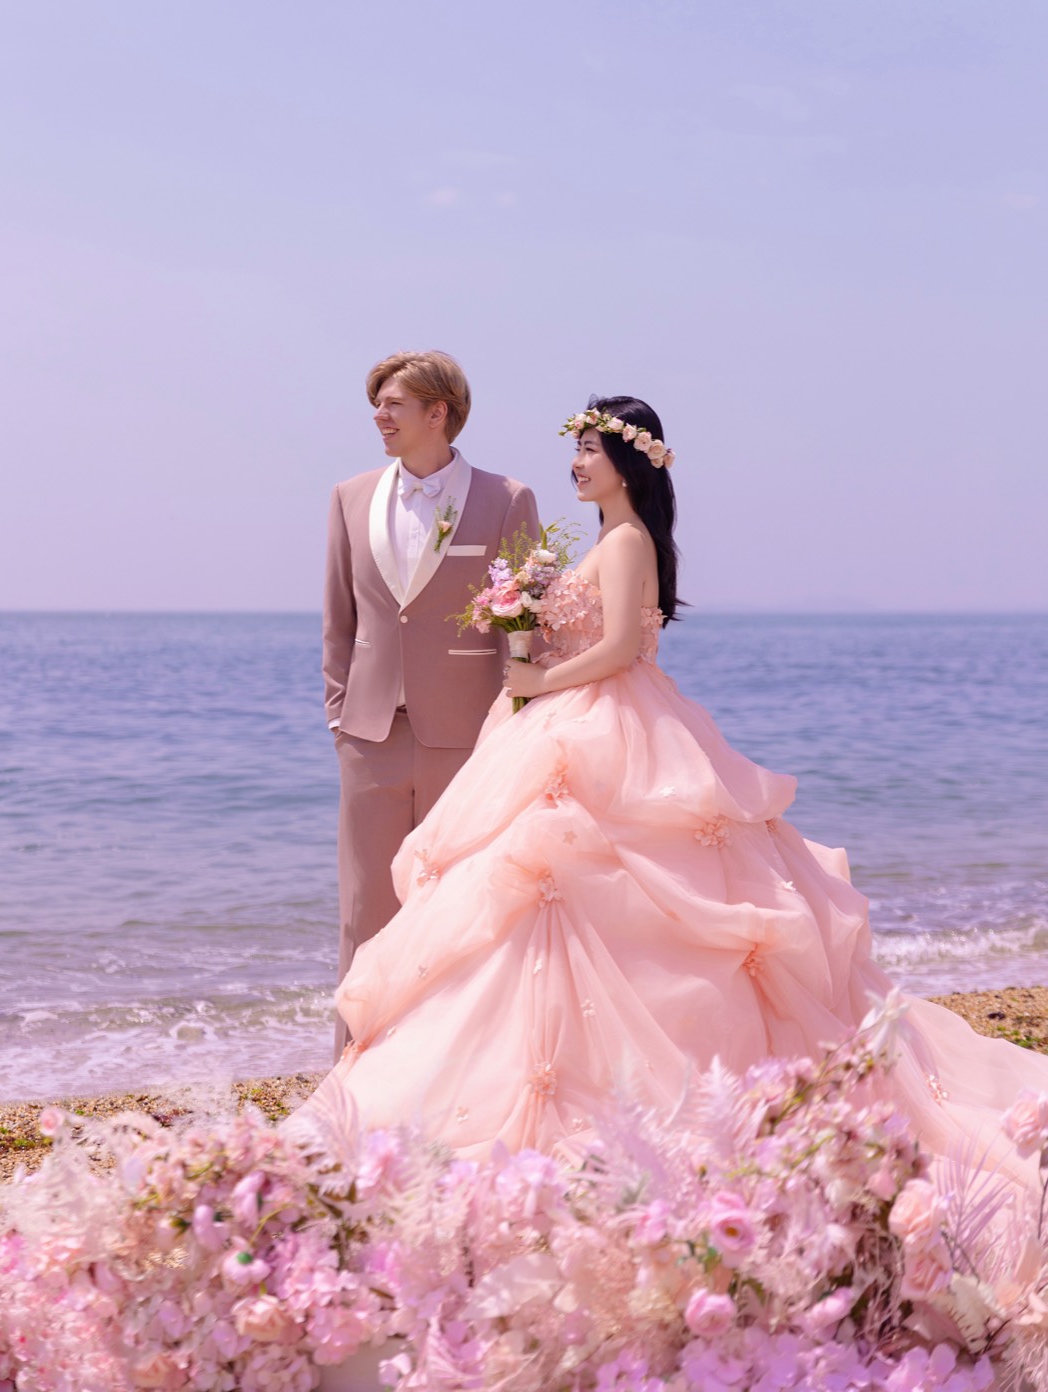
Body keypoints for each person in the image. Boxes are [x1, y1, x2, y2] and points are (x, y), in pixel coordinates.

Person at [305, 392, 1048, 1184]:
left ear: (628, 463)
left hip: (606, 722)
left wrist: (541, 674)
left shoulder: (627, 543)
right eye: (578, 449)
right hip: (564, 717)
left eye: (590, 450)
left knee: (585, 891)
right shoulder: (606, 537)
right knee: (532, 894)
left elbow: (623, 648)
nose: (576, 463)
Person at [322, 350, 539, 1050]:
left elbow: (528, 627)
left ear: (437, 412)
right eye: (376, 406)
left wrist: (519, 728)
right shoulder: (349, 497)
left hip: (469, 737)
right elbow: (340, 619)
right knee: (366, 909)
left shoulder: (506, 499)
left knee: (461, 906)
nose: (379, 417)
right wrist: (339, 716)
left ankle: (454, 1061)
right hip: (370, 734)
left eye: (393, 405)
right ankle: (354, 1064)